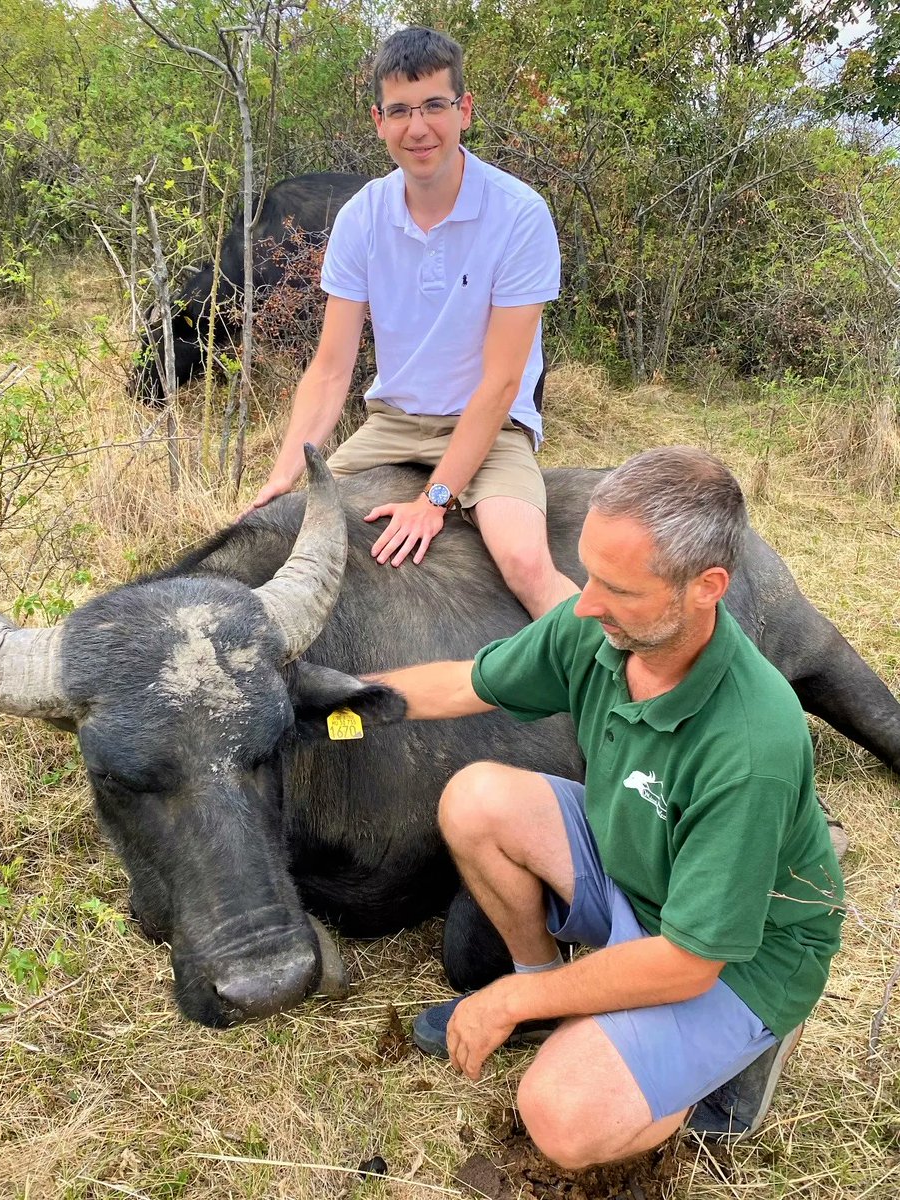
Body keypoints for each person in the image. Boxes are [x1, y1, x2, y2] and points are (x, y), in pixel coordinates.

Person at [369, 446, 844, 1169]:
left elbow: (689, 962)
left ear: (705, 587)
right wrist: (343, 695)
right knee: (476, 797)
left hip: (736, 957)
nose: (585, 603)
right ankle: (543, 986)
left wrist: (500, 1007)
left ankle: (717, 1071)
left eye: (618, 588)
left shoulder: (751, 743)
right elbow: (469, 683)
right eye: (589, 572)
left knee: (561, 1117)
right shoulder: (597, 626)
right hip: (641, 868)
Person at [244, 26, 578, 617]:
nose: (417, 127)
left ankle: (622, 688)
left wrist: (436, 498)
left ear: (464, 110)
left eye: (433, 106)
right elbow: (329, 369)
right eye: (399, 110)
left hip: (493, 429)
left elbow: (502, 383)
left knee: (527, 566)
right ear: (378, 121)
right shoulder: (361, 217)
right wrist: (284, 472)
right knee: (287, 536)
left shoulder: (519, 214)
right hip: (392, 424)